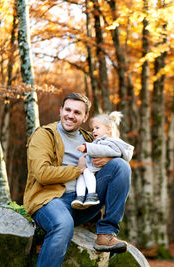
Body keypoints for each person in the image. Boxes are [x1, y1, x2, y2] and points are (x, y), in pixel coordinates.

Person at [23, 93, 131, 267]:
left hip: (85, 202)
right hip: (49, 200)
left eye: (77, 112)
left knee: (121, 166)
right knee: (63, 225)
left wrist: (108, 159)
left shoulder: (91, 138)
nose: (71, 115)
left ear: (85, 117)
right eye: (68, 110)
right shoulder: (45, 135)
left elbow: (120, 153)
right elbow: (41, 173)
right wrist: (77, 170)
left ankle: (106, 234)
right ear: (60, 111)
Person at [71, 111, 134, 210]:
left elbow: (106, 151)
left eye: (97, 128)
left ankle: (91, 195)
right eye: (92, 129)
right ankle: (80, 196)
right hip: (93, 168)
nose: (94, 131)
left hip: (99, 171)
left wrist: (87, 148)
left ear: (108, 129)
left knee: (87, 172)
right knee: (81, 175)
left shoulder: (110, 141)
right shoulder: (98, 141)